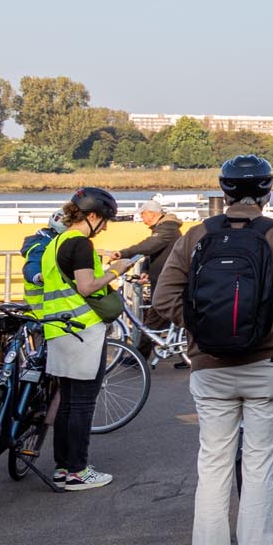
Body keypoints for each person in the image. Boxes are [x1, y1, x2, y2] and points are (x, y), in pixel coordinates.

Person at [155, 155, 273, 545]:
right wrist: (255, 332)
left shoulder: (196, 236)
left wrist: (205, 328)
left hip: (210, 368)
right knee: (258, 468)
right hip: (266, 368)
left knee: (213, 467)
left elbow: (164, 299)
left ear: (224, 192)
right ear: (266, 191)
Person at [32, 187, 127, 492]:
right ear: (92, 216)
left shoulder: (54, 243)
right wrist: (115, 271)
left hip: (58, 330)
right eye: (105, 221)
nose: (105, 228)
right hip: (83, 331)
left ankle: (64, 468)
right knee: (83, 404)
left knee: (68, 403)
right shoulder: (80, 244)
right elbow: (86, 286)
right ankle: (78, 471)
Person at [107, 201, 184, 358]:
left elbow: (149, 246)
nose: (141, 217)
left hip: (168, 283)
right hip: (166, 280)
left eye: (143, 214)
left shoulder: (167, 228)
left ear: (152, 213)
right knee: (174, 318)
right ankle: (180, 350)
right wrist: (146, 270)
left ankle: (139, 357)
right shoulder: (162, 227)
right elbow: (156, 252)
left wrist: (123, 253)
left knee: (152, 321)